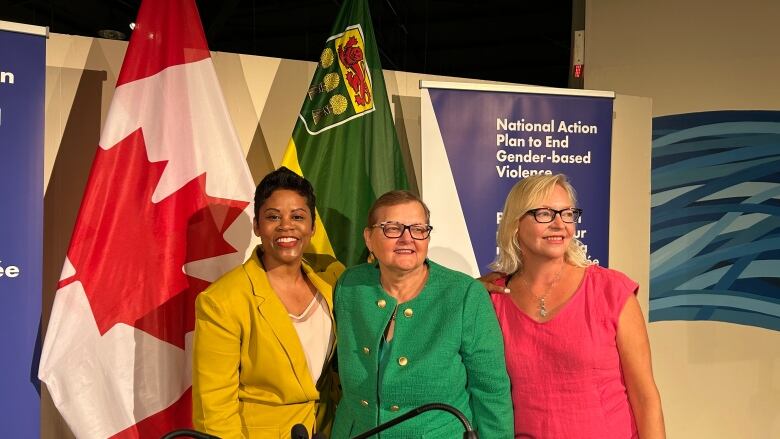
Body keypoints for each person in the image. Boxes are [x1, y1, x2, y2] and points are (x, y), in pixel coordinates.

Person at [489, 174, 665, 438]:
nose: (560, 224)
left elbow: (645, 398)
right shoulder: (494, 298)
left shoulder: (611, 290)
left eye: (568, 213)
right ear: (515, 224)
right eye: (545, 214)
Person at [332, 190, 514, 438]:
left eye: (418, 229)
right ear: (368, 238)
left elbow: (491, 391)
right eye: (392, 228)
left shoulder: (465, 295)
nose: (407, 239)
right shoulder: (349, 286)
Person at [192, 167, 343, 438]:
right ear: (257, 226)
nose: (286, 225)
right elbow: (212, 409)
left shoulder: (331, 283)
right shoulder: (222, 300)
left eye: (298, 216)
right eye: (273, 216)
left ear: (312, 227)